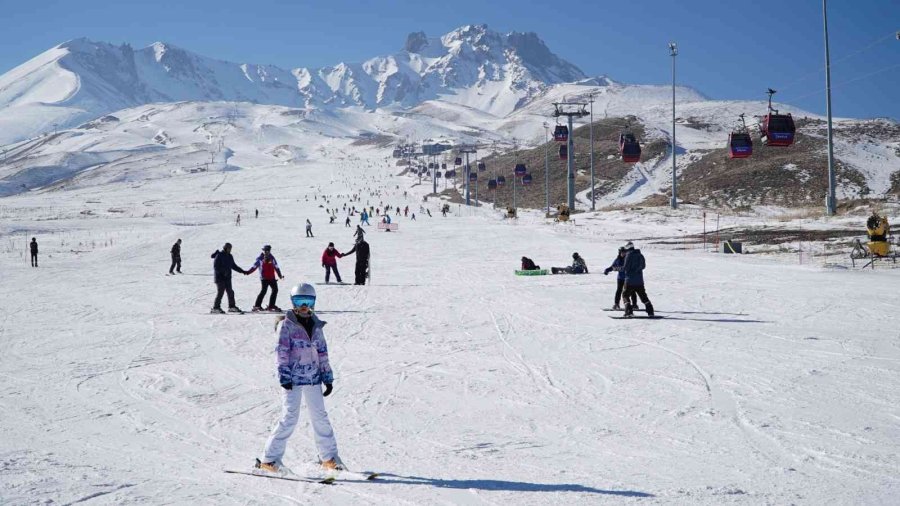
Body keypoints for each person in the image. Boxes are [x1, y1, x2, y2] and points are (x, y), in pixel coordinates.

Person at [255, 283, 343, 475]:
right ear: (293, 302)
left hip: (313, 378)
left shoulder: (317, 325)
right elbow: (282, 353)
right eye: (299, 302)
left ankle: (328, 457)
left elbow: (322, 352)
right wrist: (284, 376)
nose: (304, 306)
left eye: (308, 302)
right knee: (289, 418)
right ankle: (268, 460)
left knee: (320, 417)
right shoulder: (286, 325)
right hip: (293, 380)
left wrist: (327, 376)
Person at [210, 243, 249, 313]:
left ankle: (232, 307)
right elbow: (216, 267)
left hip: (227, 277)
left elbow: (234, 266)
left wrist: (242, 271)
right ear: (225, 248)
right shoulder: (219, 255)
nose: (230, 250)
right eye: (229, 248)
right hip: (220, 278)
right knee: (220, 292)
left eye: (230, 248)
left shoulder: (230, 256)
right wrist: (223, 272)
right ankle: (216, 308)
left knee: (230, 292)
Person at [247, 245, 285, 311]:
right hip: (264, 278)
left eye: (268, 250)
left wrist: (280, 275)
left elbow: (276, 267)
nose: (267, 251)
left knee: (275, 290)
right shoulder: (260, 259)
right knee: (263, 291)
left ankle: (271, 306)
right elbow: (254, 267)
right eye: (265, 250)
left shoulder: (272, 258)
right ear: (263, 250)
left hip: (272, 278)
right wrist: (248, 272)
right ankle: (257, 306)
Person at [621, 242, 654, 317]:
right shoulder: (640, 255)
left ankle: (629, 312)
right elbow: (643, 266)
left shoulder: (628, 255)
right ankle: (650, 311)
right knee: (643, 296)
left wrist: (617, 268)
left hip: (629, 280)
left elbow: (625, 267)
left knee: (625, 295)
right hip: (639, 280)